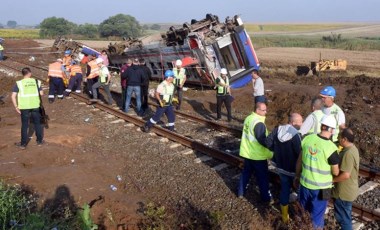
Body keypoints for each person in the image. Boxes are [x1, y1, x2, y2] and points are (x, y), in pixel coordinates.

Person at [294, 115, 340, 229]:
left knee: (302, 211)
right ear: (331, 130)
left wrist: (297, 176)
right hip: (323, 189)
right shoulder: (331, 148)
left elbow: (299, 161)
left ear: (322, 126)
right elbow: (335, 172)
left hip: (305, 184)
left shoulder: (307, 139)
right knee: (318, 216)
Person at [266, 113, 303, 223]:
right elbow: (299, 153)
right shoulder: (296, 135)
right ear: (293, 122)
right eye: (300, 122)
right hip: (293, 170)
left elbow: (267, 142)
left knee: (284, 190)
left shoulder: (278, 129)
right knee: (299, 190)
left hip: (281, 167)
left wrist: (276, 151)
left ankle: (285, 216)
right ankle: (299, 215)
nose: (301, 124)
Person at [238, 102, 273, 203]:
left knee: (246, 173)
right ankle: (266, 198)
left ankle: (240, 192)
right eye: (264, 110)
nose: (266, 112)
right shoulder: (258, 123)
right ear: (257, 110)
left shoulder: (249, 118)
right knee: (262, 178)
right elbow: (263, 141)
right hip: (258, 156)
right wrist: (272, 148)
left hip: (248, 153)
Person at [332, 128, 359, 230]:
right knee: (345, 216)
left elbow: (346, 175)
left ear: (344, 139)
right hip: (348, 190)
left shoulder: (348, 154)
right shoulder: (353, 148)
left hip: (343, 193)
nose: (338, 140)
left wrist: (332, 180)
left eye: (339, 138)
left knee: (343, 219)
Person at [11, 67, 44, 149]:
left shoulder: (19, 83)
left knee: (25, 125)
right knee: (37, 123)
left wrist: (16, 106)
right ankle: (39, 141)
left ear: (23, 74)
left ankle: (23, 144)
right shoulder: (36, 82)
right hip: (35, 105)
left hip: (24, 106)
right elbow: (42, 93)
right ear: (30, 73)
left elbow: (13, 96)